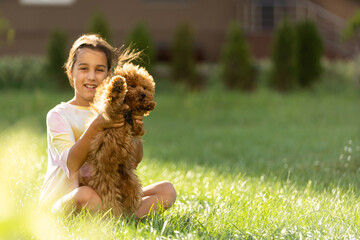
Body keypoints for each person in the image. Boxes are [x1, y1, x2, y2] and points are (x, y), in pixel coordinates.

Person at [39, 34, 176, 218]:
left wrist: (134, 129)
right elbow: (71, 164)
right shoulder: (58, 115)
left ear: (110, 75)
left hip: (106, 197)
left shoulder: (118, 110)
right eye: (84, 68)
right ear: (70, 72)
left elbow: (133, 162)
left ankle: (115, 217)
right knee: (85, 195)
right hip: (67, 200)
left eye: (99, 70)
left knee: (166, 190)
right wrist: (96, 126)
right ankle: (124, 218)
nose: (91, 76)